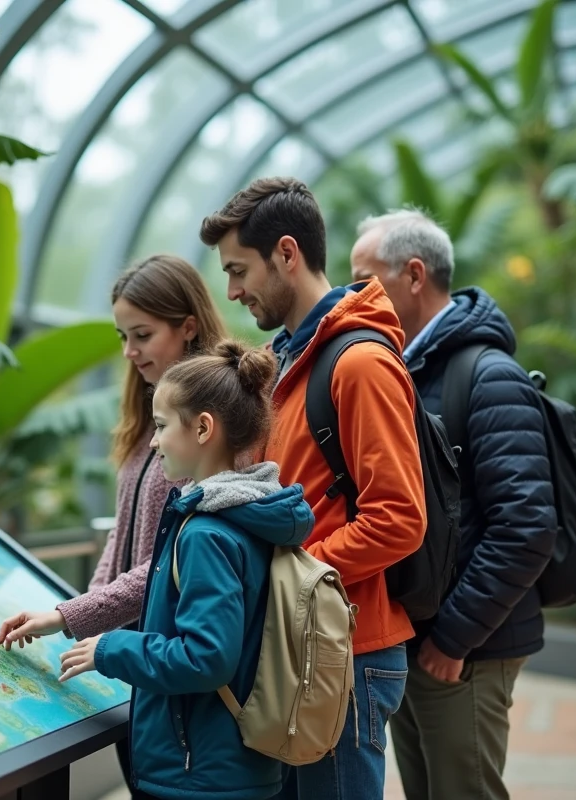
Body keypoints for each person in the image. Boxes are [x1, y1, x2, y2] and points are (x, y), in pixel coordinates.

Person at [199, 178, 427, 800]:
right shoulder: (286, 361)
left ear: (288, 254)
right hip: (303, 645)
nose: (233, 291)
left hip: (344, 654)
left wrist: (292, 580)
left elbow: (399, 520)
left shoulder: (359, 363)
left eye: (240, 269)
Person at [0, 254, 227, 797]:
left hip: (171, 660)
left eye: (143, 334)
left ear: (188, 325)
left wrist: (69, 616)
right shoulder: (147, 413)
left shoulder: (210, 426)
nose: (130, 351)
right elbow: (120, 540)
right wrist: (86, 613)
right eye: (124, 336)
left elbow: (174, 561)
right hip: (129, 657)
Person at [350, 209, 557, 800]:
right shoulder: (409, 370)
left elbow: (526, 526)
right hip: (419, 640)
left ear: (414, 275)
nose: (352, 296)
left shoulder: (488, 377)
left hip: (466, 648)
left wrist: (454, 639)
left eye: (365, 280)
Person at [56, 341, 314, 800]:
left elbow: (206, 657)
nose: (152, 442)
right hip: (234, 765)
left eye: (160, 426)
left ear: (202, 429)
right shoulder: (251, 515)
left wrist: (111, 648)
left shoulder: (206, 534)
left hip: (198, 773)